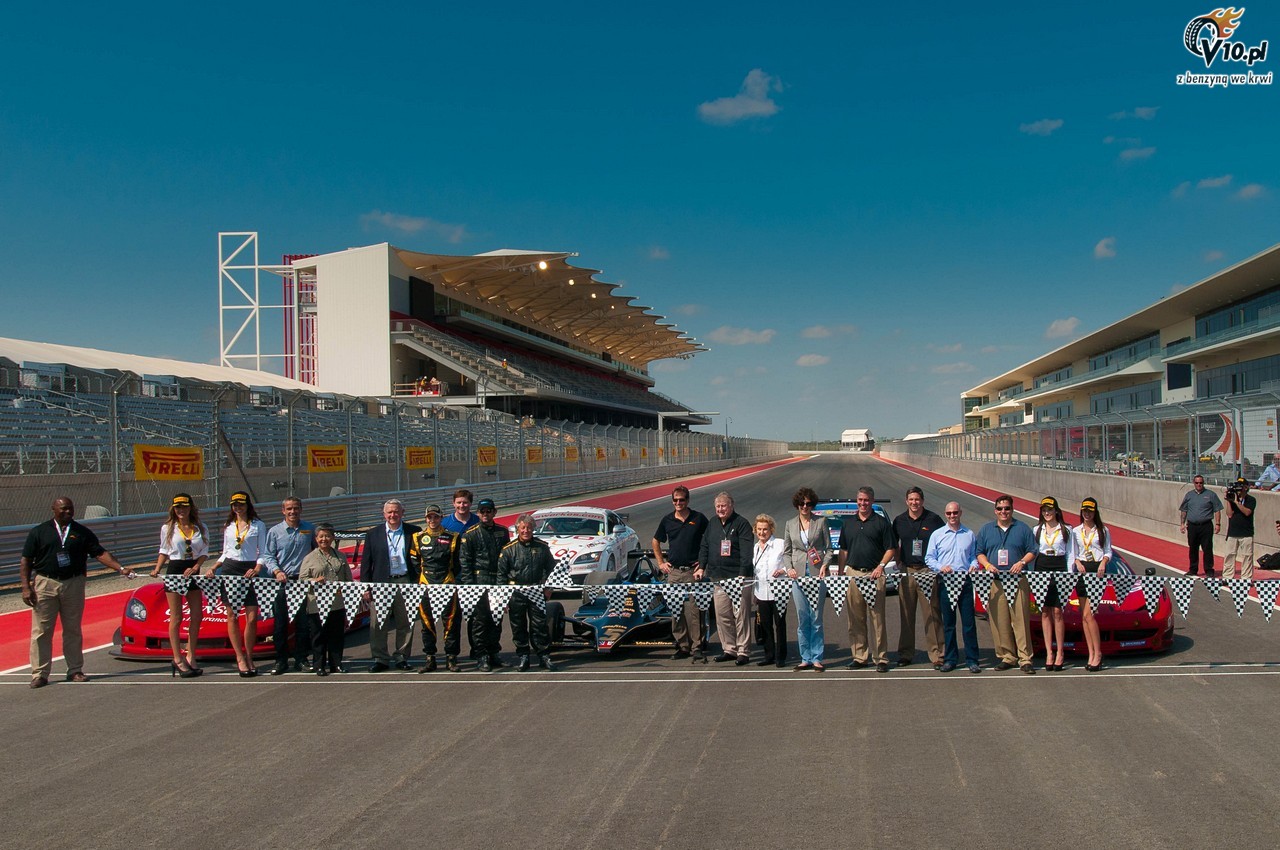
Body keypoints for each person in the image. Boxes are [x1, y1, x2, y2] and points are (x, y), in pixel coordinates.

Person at [20, 497, 132, 688]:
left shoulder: (81, 532)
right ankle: (39, 674)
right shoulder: (39, 531)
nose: (68, 512)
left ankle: (75, 670)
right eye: (63, 509)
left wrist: (120, 568)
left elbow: (100, 553)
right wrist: (26, 587)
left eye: (70, 509)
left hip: (73, 583)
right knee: (41, 631)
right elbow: (26, 560)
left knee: (72, 629)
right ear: (54, 509)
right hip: (45, 583)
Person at [975, 494, 1038, 674]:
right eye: (1000, 509)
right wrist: (987, 565)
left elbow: (1033, 550)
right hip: (996, 581)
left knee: (1020, 620)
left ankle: (1025, 658)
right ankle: (1007, 656)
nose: (1003, 512)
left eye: (1007, 508)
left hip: (1018, 580)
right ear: (995, 511)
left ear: (1012, 509)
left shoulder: (1023, 528)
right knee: (999, 621)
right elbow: (979, 552)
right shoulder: (986, 530)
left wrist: (1022, 562)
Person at [208, 492, 268, 677]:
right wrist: (215, 566)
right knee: (232, 615)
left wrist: (257, 568)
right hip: (230, 569)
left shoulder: (258, 525)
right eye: (235, 505)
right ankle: (240, 657)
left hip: (250, 569)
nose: (238, 507)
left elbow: (263, 551)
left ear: (247, 505)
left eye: (241, 504)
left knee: (252, 617)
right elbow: (226, 552)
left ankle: (249, 655)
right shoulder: (228, 526)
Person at [149, 493, 209, 678]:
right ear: (173, 509)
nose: (181, 510)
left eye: (184, 507)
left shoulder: (200, 527)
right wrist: (157, 568)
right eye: (177, 507)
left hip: (193, 569)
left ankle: (191, 655)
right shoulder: (167, 528)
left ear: (190, 507)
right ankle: (177, 657)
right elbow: (164, 550)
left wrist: (196, 566)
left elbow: (204, 551)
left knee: (197, 614)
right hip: (175, 569)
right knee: (176, 616)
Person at [837, 487, 896, 673]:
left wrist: (881, 566)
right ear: (857, 501)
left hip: (874, 575)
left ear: (872, 501)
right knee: (855, 619)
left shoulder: (881, 523)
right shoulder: (848, 523)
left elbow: (891, 548)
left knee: (877, 619)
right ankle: (859, 657)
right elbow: (843, 550)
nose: (863, 503)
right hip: (853, 574)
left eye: (867, 500)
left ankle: (881, 658)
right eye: (860, 500)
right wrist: (841, 572)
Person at [360, 499, 422, 672]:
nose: (393, 515)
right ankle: (380, 658)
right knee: (378, 623)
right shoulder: (373, 534)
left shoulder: (414, 531)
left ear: (403, 512)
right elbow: (366, 563)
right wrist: (365, 587)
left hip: (406, 581)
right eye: (389, 512)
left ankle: (402, 657)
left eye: (396, 511)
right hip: (381, 583)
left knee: (406, 622)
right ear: (384, 514)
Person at [651, 485, 710, 663]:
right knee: (676, 610)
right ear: (672, 501)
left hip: (693, 571)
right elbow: (655, 541)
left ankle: (697, 646)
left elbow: (709, 540)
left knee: (695, 610)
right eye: (675, 500)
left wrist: (703, 562)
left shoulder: (698, 518)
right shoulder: (667, 520)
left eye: (682, 500)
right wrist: (661, 563)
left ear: (688, 500)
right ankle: (683, 645)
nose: (678, 503)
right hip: (674, 572)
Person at [696, 491, 755, 665]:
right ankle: (729, 649)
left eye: (723, 506)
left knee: (741, 616)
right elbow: (704, 546)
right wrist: (701, 567)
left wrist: (743, 573)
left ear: (731, 506)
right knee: (723, 616)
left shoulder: (742, 523)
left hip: (738, 577)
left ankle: (743, 651)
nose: (720, 509)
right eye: (718, 506)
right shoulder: (712, 523)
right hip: (718, 578)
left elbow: (747, 552)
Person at [262, 496, 317, 675]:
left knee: (302, 624)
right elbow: (268, 556)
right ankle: (281, 660)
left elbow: (317, 551)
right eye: (289, 509)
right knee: (280, 624)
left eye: (296, 508)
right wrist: (277, 571)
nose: (293, 512)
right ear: (283, 511)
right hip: (281, 583)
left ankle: (301, 659)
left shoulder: (309, 529)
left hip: (301, 582)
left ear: (301, 509)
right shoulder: (274, 532)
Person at [925, 502, 981, 673]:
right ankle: (950, 659)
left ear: (960, 513)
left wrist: (974, 565)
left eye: (955, 512)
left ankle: (972, 659)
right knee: (948, 624)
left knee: (969, 623)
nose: (952, 516)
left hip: (965, 582)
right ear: (945, 514)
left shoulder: (969, 534)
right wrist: (940, 567)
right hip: (946, 582)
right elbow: (929, 558)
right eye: (949, 513)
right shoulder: (937, 535)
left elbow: (973, 556)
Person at [891, 487, 945, 669]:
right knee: (906, 614)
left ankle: (937, 654)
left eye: (917, 499)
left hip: (927, 571)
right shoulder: (899, 520)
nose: (914, 503)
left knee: (932, 613)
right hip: (907, 571)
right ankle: (906, 653)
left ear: (922, 501)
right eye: (911, 499)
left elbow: (942, 542)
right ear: (906, 501)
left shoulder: (934, 519)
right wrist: (898, 562)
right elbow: (894, 544)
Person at [497, 513, 556, 671]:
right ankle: (523, 656)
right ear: (517, 529)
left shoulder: (542, 547)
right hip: (516, 593)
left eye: (529, 528)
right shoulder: (508, 549)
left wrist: (549, 588)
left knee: (540, 625)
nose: (526, 531)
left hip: (536, 591)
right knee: (518, 626)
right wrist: (502, 599)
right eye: (523, 528)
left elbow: (552, 569)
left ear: (533, 529)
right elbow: (501, 575)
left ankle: (544, 656)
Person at [782, 487, 832, 672]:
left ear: (813, 505)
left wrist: (825, 565)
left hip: (817, 573)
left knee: (816, 618)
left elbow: (829, 548)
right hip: (798, 575)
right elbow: (787, 552)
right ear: (797, 504)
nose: (805, 506)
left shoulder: (821, 521)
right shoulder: (790, 524)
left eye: (808, 504)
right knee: (802, 618)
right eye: (802, 503)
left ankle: (817, 657)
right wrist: (789, 568)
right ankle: (805, 657)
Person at [459, 498, 510, 672]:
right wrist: (469, 587)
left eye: (489, 511)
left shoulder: (502, 532)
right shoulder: (470, 534)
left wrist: (506, 583)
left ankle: (494, 652)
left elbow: (507, 558)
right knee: (479, 621)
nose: (485, 514)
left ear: (494, 512)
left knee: (496, 619)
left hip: (498, 581)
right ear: (478, 513)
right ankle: (481, 655)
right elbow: (465, 562)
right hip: (478, 582)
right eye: (482, 511)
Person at [411, 504, 462, 672]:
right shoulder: (417, 537)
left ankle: (451, 658)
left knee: (451, 622)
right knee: (426, 623)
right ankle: (430, 658)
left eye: (436, 517)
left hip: (447, 582)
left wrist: (448, 577)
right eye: (429, 517)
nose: (432, 520)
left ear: (441, 517)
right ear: (425, 519)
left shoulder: (453, 537)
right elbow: (414, 562)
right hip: (425, 584)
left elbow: (457, 563)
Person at [299, 523, 352, 675]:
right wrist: (314, 581)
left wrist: (346, 590)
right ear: (316, 539)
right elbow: (302, 580)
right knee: (318, 636)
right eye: (321, 536)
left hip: (337, 603)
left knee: (336, 635)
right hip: (317, 603)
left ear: (333, 538)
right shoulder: (309, 558)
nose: (324, 539)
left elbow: (348, 578)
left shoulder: (340, 556)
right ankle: (319, 665)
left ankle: (336, 664)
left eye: (328, 536)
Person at [1031, 496, 1073, 671]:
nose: (1047, 513)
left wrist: (1069, 575)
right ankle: (1049, 652)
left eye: (1050, 510)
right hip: (1042, 567)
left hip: (1059, 567)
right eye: (1044, 510)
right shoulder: (1037, 529)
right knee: (1045, 611)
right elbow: (1033, 552)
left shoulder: (1066, 529)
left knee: (1057, 611)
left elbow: (1070, 553)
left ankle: (1060, 652)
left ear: (1056, 510)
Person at [1071, 497, 1112, 672]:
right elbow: (1073, 552)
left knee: (1090, 615)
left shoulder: (1103, 530)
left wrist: (1103, 562)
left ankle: (1098, 653)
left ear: (1095, 513)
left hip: (1097, 570)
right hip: (1082, 570)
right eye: (1085, 511)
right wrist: (1077, 562)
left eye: (1090, 511)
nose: (1087, 514)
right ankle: (1091, 653)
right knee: (1084, 616)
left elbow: (1108, 551)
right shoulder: (1075, 531)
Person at [751, 514, 788, 667]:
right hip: (761, 592)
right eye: (759, 529)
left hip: (779, 592)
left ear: (771, 529)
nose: (762, 532)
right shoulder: (755, 548)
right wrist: (754, 593)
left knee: (780, 624)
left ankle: (781, 656)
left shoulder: (780, 544)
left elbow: (791, 563)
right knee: (765, 625)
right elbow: (755, 572)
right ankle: (769, 655)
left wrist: (783, 570)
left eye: (765, 529)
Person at [1179, 475, 1222, 577]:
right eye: (1197, 483)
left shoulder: (1211, 495)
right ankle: (1193, 569)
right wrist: (1182, 524)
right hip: (1192, 526)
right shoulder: (1189, 495)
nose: (1199, 485)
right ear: (1194, 483)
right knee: (1193, 548)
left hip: (1206, 526)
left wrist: (1218, 524)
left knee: (1207, 549)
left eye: (1201, 483)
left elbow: (1217, 510)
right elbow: (1184, 510)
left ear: (1203, 483)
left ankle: (1209, 570)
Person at [1223, 478, 1256, 582]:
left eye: (1241, 486)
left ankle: (1246, 578)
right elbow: (1229, 514)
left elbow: (1247, 512)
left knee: (1247, 556)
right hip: (1233, 532)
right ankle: (1227, 577)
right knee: (1229, 555)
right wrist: (1229, 501)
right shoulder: (1233, 498)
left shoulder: (1251, 499)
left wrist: (1237, 502)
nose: (1238, 488)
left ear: (1246, 487)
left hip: (1246, 533)